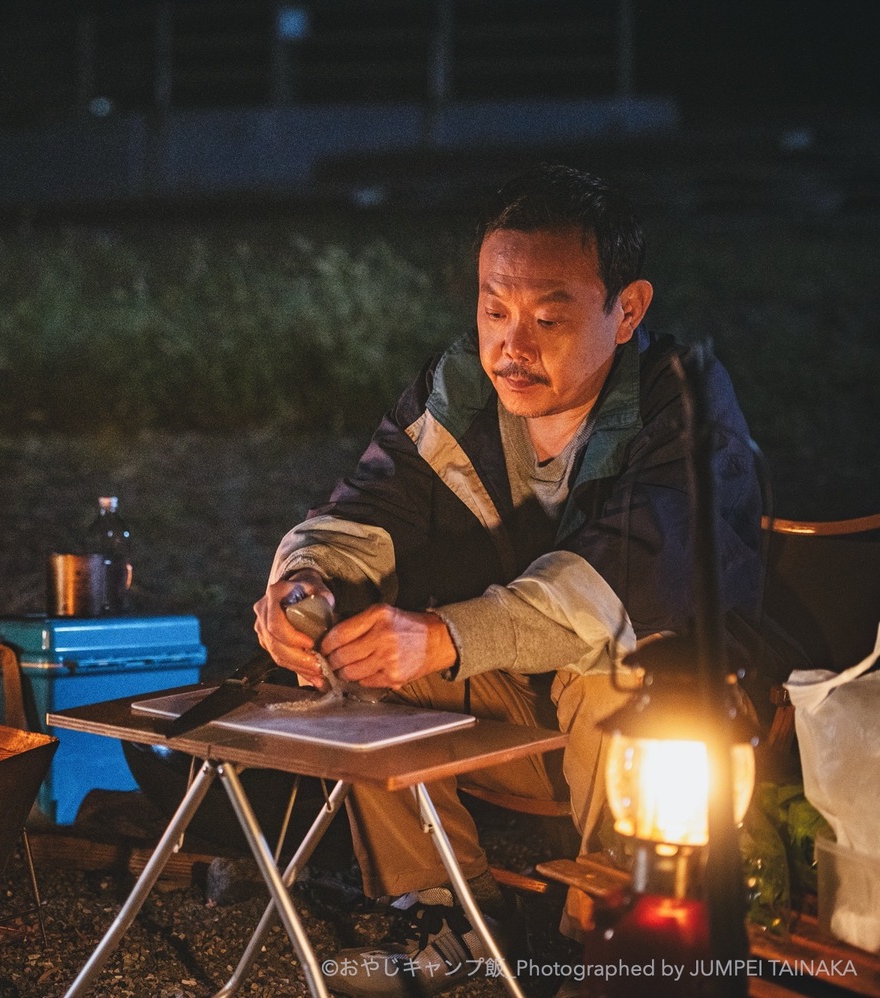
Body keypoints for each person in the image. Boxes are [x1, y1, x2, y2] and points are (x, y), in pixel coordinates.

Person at [253, 164, 767, 996]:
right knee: (360, 662)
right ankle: (445, 914)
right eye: (495, 310)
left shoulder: (682, 405)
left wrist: (448, 637)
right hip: (516, 709)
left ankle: (606, 946)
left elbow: (619, 583)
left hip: (670, 732)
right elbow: (362, 513)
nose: (511, 346)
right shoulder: (454, 395)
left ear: (627, 310)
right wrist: (304, 589)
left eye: (549, 318)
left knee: (622, 680)